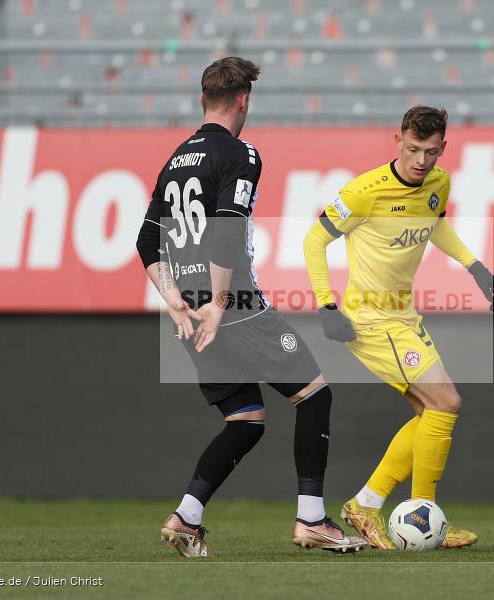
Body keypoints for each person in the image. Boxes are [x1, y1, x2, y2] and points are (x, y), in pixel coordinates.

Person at [136, 57, 365, 557]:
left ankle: (187, 517)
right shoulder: (241, 154)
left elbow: (146, 240)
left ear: (203, 101)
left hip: (193, 309)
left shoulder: (175, 159)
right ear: (244, 100)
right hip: (231, 306)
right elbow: (224, 232)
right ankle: (312, 520)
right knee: (314, 396)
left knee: (245, 419)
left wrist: (176, 302)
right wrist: (219, 306)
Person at [302, 106, 494, 549]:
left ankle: (366, 504)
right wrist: (326, 306)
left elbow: (434, 224)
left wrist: (474, 266)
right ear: (398, 141)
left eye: (430, 152)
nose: (420, 160)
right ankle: (422, 515)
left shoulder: (439, 182)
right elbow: (314, 239)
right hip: (370, 319)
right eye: (413, 149)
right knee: (447, 402)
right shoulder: (363, 191)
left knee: (433, 413)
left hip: (404, 317)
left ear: (443, 148)